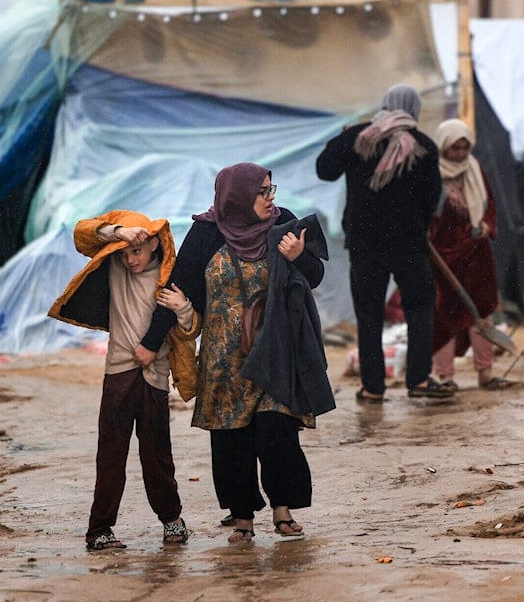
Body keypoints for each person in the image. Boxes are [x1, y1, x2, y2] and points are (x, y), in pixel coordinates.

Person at [139, 162, 334, 544]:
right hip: (223, 360)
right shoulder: (207, 233)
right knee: (232, 439)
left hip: (276, 349)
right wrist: (149, 343)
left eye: (270, 188)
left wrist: (298, 256)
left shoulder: (285, 224)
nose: (270, 196)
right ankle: (242, 517)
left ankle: (283, 509)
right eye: (262, 191)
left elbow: (315, 276)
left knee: (277, 432)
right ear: (239, 196)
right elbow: (180, 289)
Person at [47, 211, 197, 552]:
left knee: (157, 454)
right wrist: (120, 233)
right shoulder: (115, 267)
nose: (130, 259)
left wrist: (184, 307)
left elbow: (190, 330)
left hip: (155, 378)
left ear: (156, 244)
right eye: (126, 252)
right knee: (111, 454)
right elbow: (83, 234)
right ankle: (99, 530)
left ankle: (172, 520)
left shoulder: (170, 278)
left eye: (138, 252)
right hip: (118, 373)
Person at [316, 83, 453, 400]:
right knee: (419, 308)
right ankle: (418, 380)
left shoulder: (358, 137)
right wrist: (417, 223)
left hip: (365, 244)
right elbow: (432, 199)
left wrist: (343, 136)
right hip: (409, 244)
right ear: (413, 108)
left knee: (369, 313)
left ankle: (373, 388)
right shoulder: (424, 146)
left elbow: (324, 170)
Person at [429, 118, 514, 391]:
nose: (460, 154)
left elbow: (489, 203)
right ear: (443, 148)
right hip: (444, 258)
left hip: (477, 254)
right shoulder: (431, 174)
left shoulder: (475, 169)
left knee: (482, 312)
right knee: (444, 316)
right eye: (455, 149)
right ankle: (446, 377)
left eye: (464, 148)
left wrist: (486, 225)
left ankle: (485, 373)